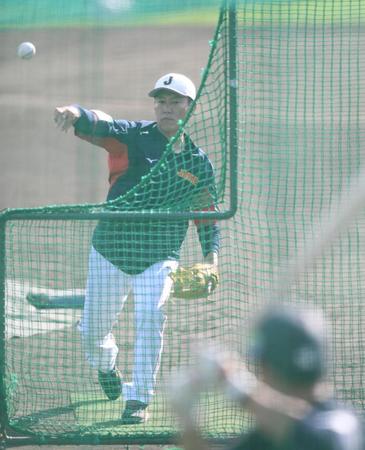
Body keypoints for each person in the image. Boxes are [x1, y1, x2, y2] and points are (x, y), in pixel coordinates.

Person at [54, 73, 220, 424]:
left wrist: (211, 258)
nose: (167, 108)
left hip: (159, 258)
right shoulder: (134, 136)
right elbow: (104, 124)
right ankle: (107, 364)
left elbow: (206, 213)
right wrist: (75, 112)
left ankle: (139, 397)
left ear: (189, 107)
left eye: (175, 101)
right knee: (93, 334)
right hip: (110, 251)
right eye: (161, 101)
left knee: (151, 316)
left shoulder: (197, 163)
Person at [171, 304, 364, 449]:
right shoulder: (268, 436)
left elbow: (319, 440)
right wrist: (188, 422)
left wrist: (236, 385)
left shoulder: (341, 426)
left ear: (269, 367)